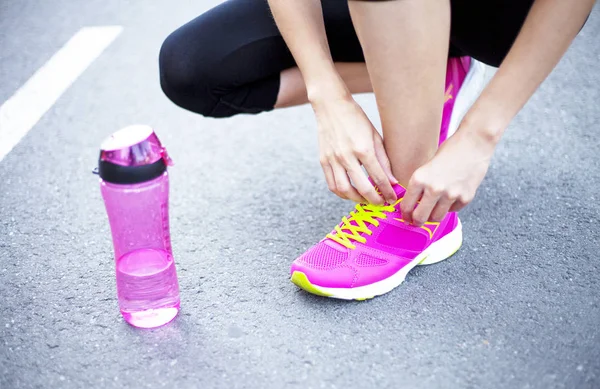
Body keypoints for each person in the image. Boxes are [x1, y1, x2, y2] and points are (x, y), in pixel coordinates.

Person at [158, 0, 594, 300]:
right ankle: (435, 78)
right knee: (192, 67)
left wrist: (478, 135)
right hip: (384, 12)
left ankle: (410, 208)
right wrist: (326, 94)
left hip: (500, 15)